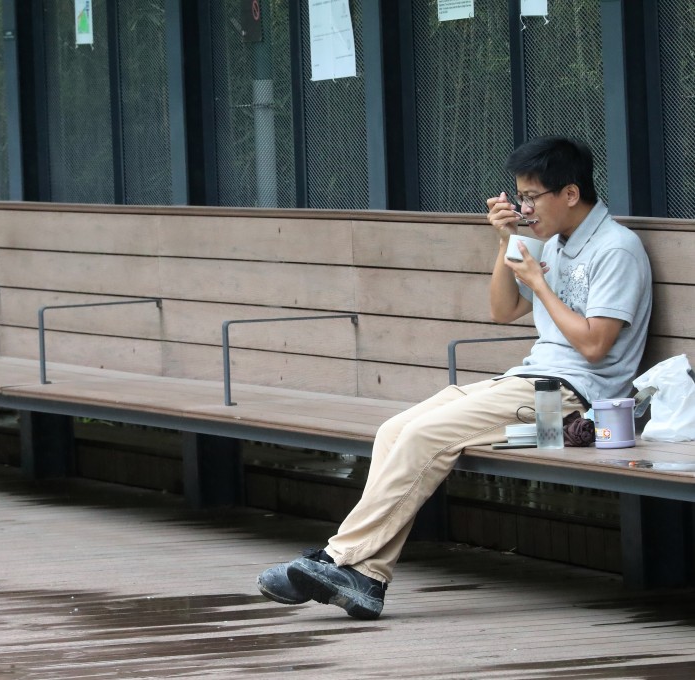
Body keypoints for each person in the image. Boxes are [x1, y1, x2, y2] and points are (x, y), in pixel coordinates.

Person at [256, 136, 652, 619]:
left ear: (570, 194)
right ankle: (366, 577)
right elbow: (502, 309)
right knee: (395, 429)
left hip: (575, 406)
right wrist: (507, 243)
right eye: (519, 197)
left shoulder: (617, 249)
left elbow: (594, 345)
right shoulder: (552, 242)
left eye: (531, 197)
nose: (524, 207)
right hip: (532, 381)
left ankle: (339, 560)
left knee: (426, 434)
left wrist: (541, 284)